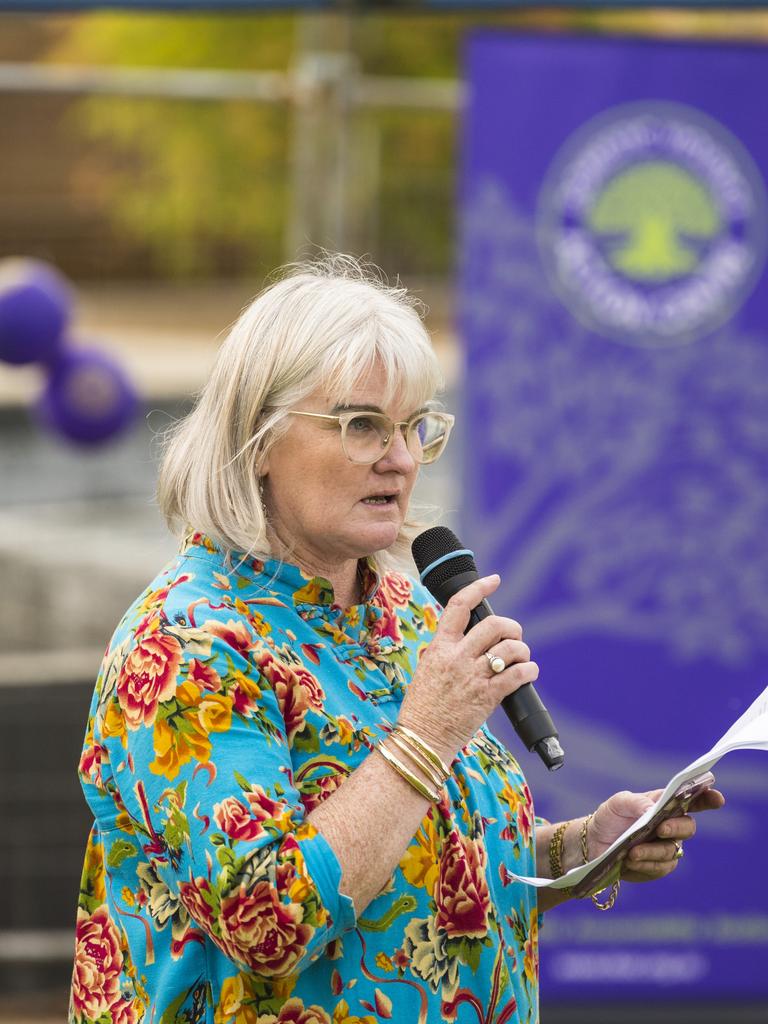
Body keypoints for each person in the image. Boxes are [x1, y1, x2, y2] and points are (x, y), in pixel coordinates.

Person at [69, 256, 723, 1024]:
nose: (403, 458)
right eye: (362, 425)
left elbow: (425, 865)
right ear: (259, 439)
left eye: (416, 426)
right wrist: (427, 732)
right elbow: (269, 922)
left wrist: (578, 852)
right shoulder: (188, 643)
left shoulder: (405, 616)